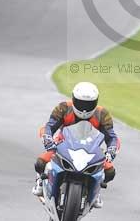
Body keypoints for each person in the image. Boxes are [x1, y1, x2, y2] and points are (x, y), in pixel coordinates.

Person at [32, 81, 118, 209]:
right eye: (81, 103)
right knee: (40, 162)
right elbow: (49, 126)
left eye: (88, 104)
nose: (84, 108)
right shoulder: (63, 108)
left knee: (110, 171)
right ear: (73, 99)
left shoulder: (102, 114)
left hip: (92, 150)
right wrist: (48, 139)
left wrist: (110, 151)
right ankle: (40, 181)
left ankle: (96, 190)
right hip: (63, 145)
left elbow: (111, 136)